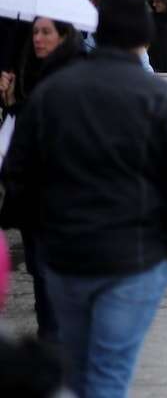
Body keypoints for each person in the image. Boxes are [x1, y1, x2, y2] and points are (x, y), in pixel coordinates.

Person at [0, 0, 167, 397]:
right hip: (134, 258)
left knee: (75, 366)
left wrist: (41, 231)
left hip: (66, 255)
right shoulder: (158, 99)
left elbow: (17, 171)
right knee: (109, 373)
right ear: (143, 38)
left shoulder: (53, 92)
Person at [0, 17, 85, 342]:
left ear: (63, 36)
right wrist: (9, 100)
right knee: (41, 276)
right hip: (35, 195)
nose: (38, 39)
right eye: (35, 32)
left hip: (63, 195)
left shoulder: (73, 73)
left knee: (55, 280)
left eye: (46, 32)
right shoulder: (36, 69)